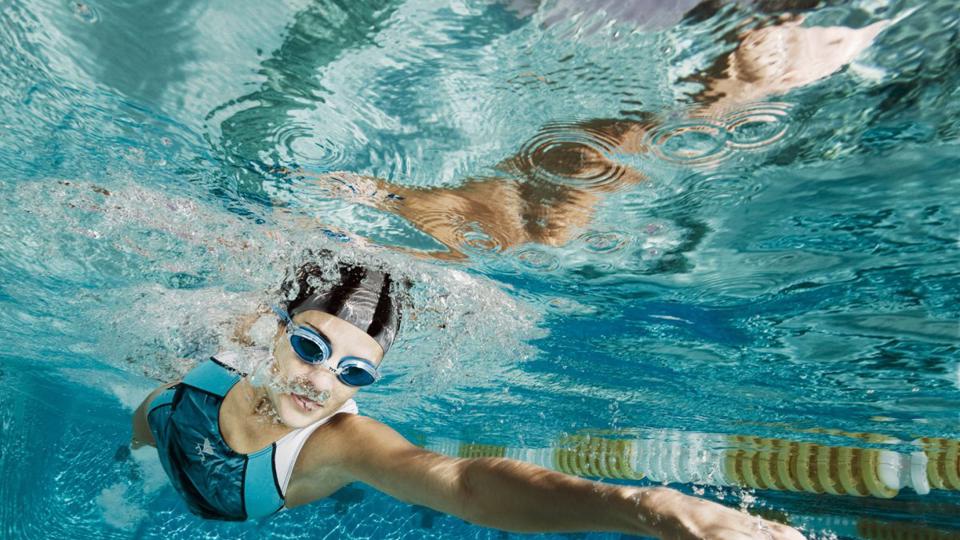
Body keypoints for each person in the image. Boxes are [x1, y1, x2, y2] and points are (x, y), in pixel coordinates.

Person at [132, 257, 803, 538]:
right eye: (310, 348)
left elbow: (465, 484)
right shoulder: (233, 343)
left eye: (354, 373)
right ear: (275, 330)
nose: (321, 382)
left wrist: (643, 507)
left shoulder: (340, 442)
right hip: (151, 438)